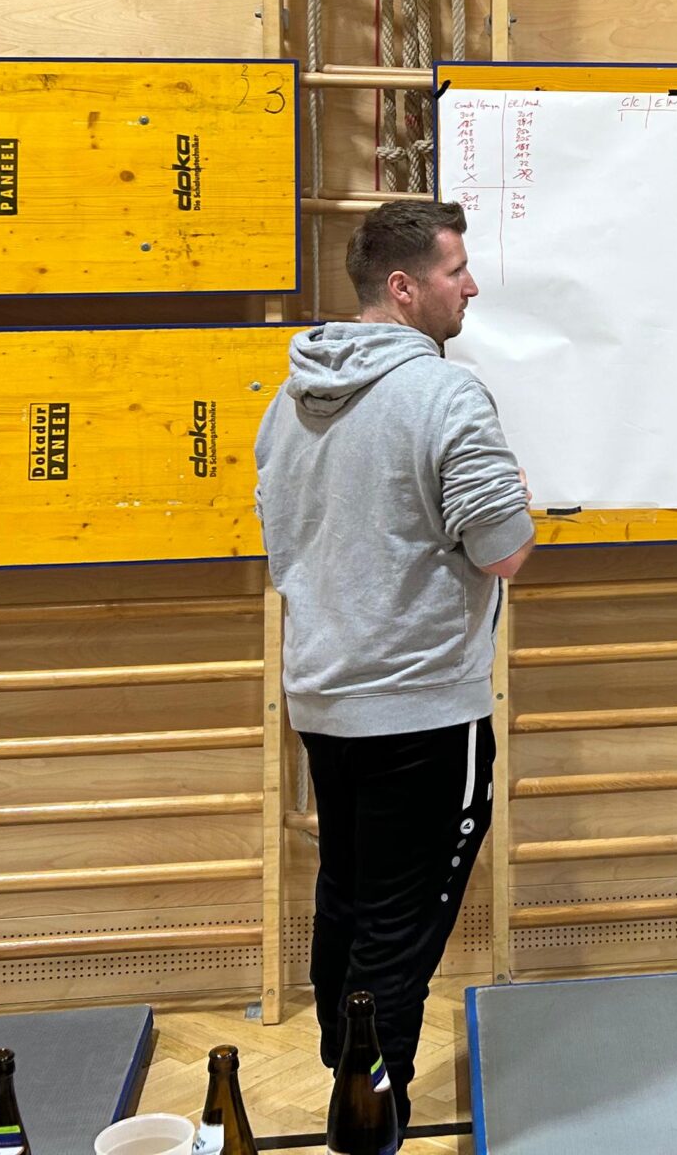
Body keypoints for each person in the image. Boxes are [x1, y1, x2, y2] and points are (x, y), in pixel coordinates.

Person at [256, 197, 535, 1129]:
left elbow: (287, 542)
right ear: (407, 288)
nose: (472, 286)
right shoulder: (445, 394)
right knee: (399, 925)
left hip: (326, 701)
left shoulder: (289, 401)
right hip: (422, 709)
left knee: (349, 892)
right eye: (458, 271)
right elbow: (503, 551)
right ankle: (369, 1115)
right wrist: (516, 499)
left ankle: (345, 1074)